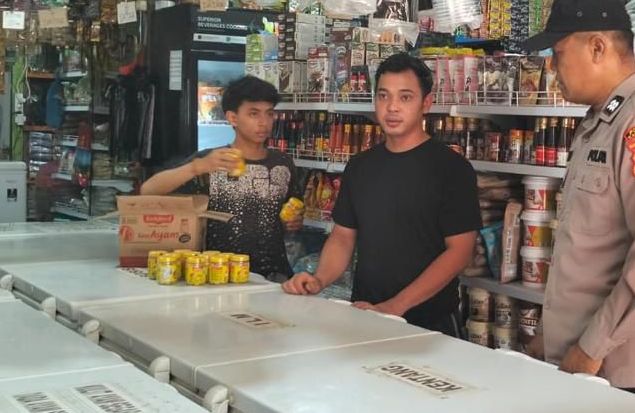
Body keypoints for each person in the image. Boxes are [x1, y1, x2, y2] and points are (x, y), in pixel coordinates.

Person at [522, 0, 635, 403]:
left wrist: (591, 347)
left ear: (597, 47)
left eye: (558, 53)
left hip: (619, 370)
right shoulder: (600, 121)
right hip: (579, 358)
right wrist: (550, 335)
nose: (552, 67)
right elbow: (584, 249)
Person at [282, 53, 481, 336]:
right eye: (384, 96)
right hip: (366, 313)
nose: (392, 107)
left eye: (405, 97)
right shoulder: (360, 166)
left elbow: (460, 251)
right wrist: (319, 279)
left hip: (429, 323)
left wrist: (395, 306)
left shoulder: (451, 168)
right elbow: (343, 236)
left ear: (426, 103)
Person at [140, 75, 303, 280]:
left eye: (269, 113)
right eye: (253, 113)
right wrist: (197, 167)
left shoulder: (283, 163)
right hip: (219, 273)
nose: (264, 122)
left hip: (273, 275)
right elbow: (148, 190)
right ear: (232, 118)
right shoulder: (212, 160)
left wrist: (293, 221)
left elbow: (292, 212)